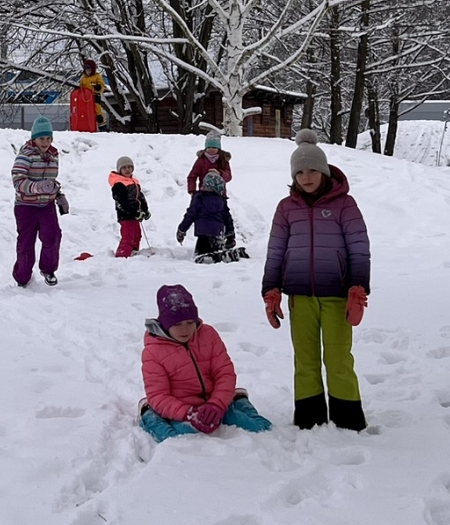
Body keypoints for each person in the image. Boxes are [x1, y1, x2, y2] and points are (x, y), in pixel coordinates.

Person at [262, 130, 371, 432]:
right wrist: (271, 290)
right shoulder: (286, 208)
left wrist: (358, 289)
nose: (306, 177)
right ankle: (309, 419)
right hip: (300, 296)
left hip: (337, 295)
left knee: (338, 358)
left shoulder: (345, 205)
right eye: (299, 172)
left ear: (324, 171)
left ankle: (348, 419)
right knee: (305, 360)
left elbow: (359, 248)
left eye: (312, 170)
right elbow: (275, 251)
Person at [139, 284, 272, 441]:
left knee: (262, 428)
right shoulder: (153, 352)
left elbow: (224, 372)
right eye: (177, 324)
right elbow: (158, 395)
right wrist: (188, 413)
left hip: (215, 404)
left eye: (190, 322)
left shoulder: (208, 335)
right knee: (176, 439)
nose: (185, 330)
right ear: (166, 324)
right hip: (182, 409)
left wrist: (217, 404)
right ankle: (148, 414)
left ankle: (239, 400)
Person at [11, 115, 66, 286]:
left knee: (53, 236)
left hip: (46, 206)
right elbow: (18, 180)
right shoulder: (25, 155)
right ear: (34, 138)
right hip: (26, 207)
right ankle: (22, 277)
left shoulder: (53, 156)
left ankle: (48, 269)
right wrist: (36, 187)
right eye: (42, 138)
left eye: (49, 138)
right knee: (26, 242)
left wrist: (58, 195)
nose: (46, 142)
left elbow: (50, 181)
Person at [187, 133, 240, 251]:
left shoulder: (223, 160)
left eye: (214, 147)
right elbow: (192, 176)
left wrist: (220, 174)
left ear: (218, 148)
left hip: (220, 194)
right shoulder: (201, 160)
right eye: (209, 147)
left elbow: (229, 176)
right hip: (204, 194)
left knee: (223, 216)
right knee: (202, 215)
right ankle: (205, 239)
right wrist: (192, 190)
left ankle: (226, 237)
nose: (211, 150)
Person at [109, 156, 151, 258]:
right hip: (126, 216)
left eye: (129, 167)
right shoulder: (119, 184)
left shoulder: (133, 181)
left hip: (135, 215)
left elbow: (140, 196)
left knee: (137, 235)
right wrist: (134, 212)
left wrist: (145, 210)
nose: (127, 170)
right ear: (119, 170)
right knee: (128, 237)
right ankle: (122, 256)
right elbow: (121, 202)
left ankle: (133, 252)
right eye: (124, 168)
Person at [70, 58, 105, 133]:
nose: (88, 72)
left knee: (97, 110)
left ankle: (102, 125)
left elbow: (102, 86)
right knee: (85, 111)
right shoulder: (83, 78)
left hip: (94, 96)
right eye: (86, 70)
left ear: (93, 70)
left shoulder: (97, 77)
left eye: (89, 70)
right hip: (85, 98)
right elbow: (81, 87)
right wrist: (78, 89)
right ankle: (85, 124)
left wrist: (98, 87)